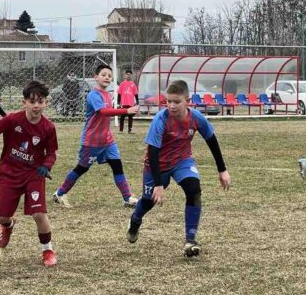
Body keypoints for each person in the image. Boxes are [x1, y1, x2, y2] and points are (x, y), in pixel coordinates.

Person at [126, 80, 231, 258]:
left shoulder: (196, 118)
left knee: (194, 190)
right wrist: (159, 185)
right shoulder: (161, 119)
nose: (171, 106)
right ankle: (135, 220)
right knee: (148, 200)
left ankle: (190, 240)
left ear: (187, 101)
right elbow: (153, 152)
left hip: (182, 161)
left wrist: (222, 170)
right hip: (156, 165)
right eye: (168, 101)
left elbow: (212, 140)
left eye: (176, 102)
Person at [0, 80, 58, 267]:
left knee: (39, 213)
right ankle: (8, 225)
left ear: (46, 103)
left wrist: (47, 165)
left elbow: (52, 152)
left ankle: (48, 250)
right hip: (9, 173)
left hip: (33, 174)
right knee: (1, 215)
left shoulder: (48, 128)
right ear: (24, 102)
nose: (36, 106)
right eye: (32, 101)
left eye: (40, 101)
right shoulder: (12, 119)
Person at [53, 64, 139, 208]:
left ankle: (128, 198)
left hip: (107, 140)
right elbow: (103, 112)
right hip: (92, 141)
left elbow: (107, 113)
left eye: (109, 76)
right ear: (95, 77)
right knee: (82, 168)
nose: (107, 77)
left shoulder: (108, 94)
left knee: (117, 165)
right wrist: (126, 111)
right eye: (103, 74)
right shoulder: (93, 95)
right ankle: (59, 194)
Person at [117, 69, 139, 133]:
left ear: (131, 75)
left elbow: (136, 94)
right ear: (125, 75)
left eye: (130, 74)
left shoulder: (133, 84)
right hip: (124, 103)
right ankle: (121, 130)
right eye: (127, 74)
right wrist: (118, 102)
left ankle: (130, 130)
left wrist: (137, 101)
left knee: (130, 117)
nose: (128, 76)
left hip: (131, 103)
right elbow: (119, 93)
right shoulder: (122, 84)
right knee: (122, 117)